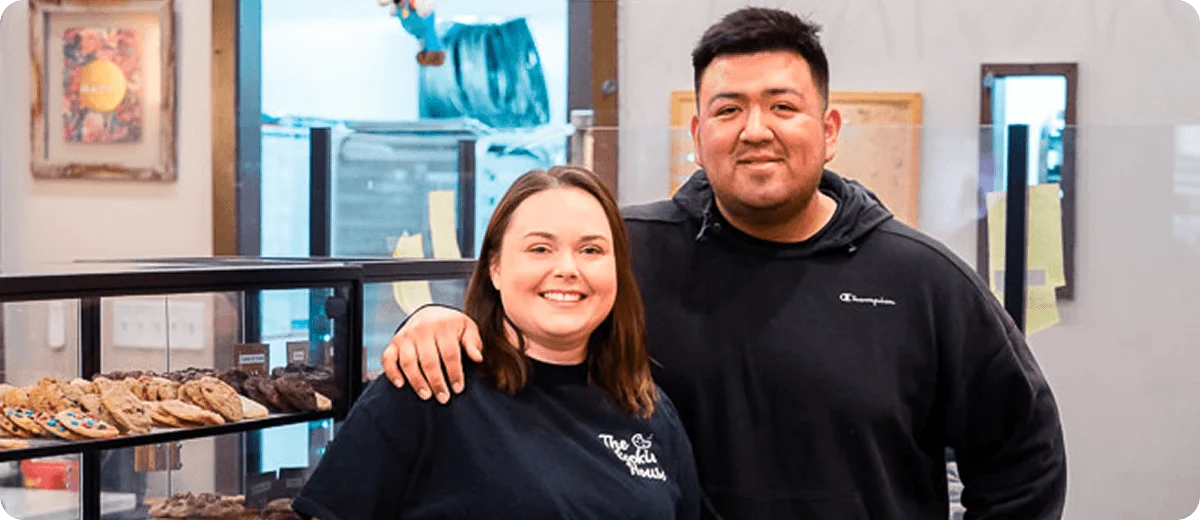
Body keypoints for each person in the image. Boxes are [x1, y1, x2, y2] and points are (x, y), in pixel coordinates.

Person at [379, 7, 1068, 519]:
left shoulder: (921, 281)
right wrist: (443, 319)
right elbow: (515, 331)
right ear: (698, 133)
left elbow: (1024, 458)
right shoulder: (625, 254)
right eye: (729, 108)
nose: (756, 129)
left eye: (783, 106)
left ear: (828, 132)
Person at [293, 166, 705, 519]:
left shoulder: (646, 408)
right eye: (540, 248)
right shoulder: (430, 385)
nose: (567, 268)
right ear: (494, 268)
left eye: (591, 250)